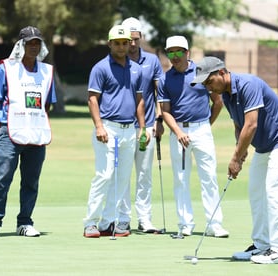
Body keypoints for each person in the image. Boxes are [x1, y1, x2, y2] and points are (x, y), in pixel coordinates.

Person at [191, 56, 278, 264]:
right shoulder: (225, 96)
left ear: (222, 72)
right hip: (264, 146)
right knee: (256, 193)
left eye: (209, 81)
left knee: (274, 193)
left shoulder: (248, 85)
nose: (207, 88)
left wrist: (234, 159)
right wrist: (240, 154)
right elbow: (239, 126)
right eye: (204, 84)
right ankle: (262, 246)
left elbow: (251, 125)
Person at [0, 26, 56, 238]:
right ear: (20, 45)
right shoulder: (6, 68)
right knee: (2, 177)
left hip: (37, 133)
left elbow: (47, 104)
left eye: (37, 43)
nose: (33, 47)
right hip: (11, 131)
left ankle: (24, 222)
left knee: (31, 181)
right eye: (29, 43)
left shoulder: (46, 71)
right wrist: (12, 116)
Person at [157, 36, 229, 238]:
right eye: (170, 52)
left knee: (209, 178)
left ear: (187, 52)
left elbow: (217, 102)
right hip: (178, 131)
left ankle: (215, 224)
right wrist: (179, 132)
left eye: (179, 51)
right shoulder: (165, 78)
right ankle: (185, 224)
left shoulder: (201, 72)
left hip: (202, 130)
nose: (175, 56)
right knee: (180, 179)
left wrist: (205, 125)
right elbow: (165, 111)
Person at [83, 25, 149, 238]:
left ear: (130, 43)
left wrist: (142, 128)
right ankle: (90, 223)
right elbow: (93, 99)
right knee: (104, 175)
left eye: (125, 43)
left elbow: (140, 101)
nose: (121, 47)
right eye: (117, 43)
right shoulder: (100, 68)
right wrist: (99, 126)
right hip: (108, 128)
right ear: (110, 44)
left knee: (122, 177)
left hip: (130, 129)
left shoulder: (136, 69)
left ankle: (111, 221)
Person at [116, 17, 164, 233]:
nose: (132, 44)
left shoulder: (152, 61)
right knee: (123, 174)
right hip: (123, 126)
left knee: (144, 173)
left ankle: (145, 219)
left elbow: (159, 92)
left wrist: (160, 120)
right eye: (129, 39)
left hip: (146, 127)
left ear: (141, 38)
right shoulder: (115, 60)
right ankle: (123, 217)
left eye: (136, 39)